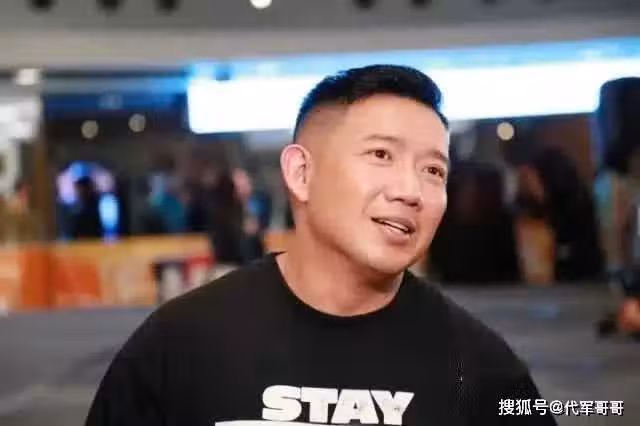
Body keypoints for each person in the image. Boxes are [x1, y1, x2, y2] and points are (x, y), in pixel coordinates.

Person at [86, 65, 556, 425]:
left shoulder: (481, 369)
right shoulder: (180, 343)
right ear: (300, 173)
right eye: (381, 154)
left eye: (433, 170)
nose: (411, 190)